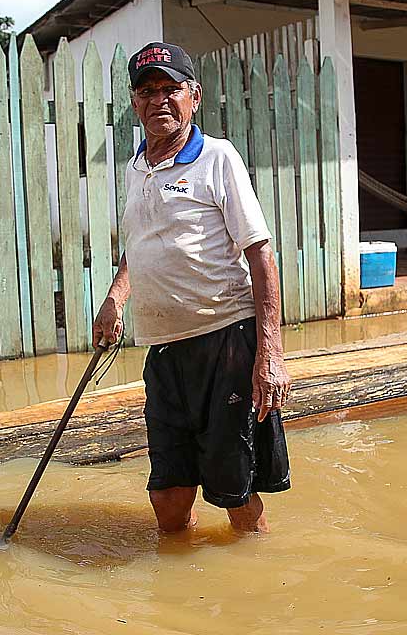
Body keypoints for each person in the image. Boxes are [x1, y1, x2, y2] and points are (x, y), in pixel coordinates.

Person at [92, 42, 291, 534]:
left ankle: (260, 585)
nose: (158, 99)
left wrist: (271, 354)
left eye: (169, 88)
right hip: (164, 352)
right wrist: (115, 301)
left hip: (225, 343)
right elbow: (139, 249)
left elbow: (260, 254)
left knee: (235, 492)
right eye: (146, 91)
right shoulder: (137, 167)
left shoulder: (218, 157)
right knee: (167, 496)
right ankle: (181, 583)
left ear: (193, 96)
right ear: (134, 103)